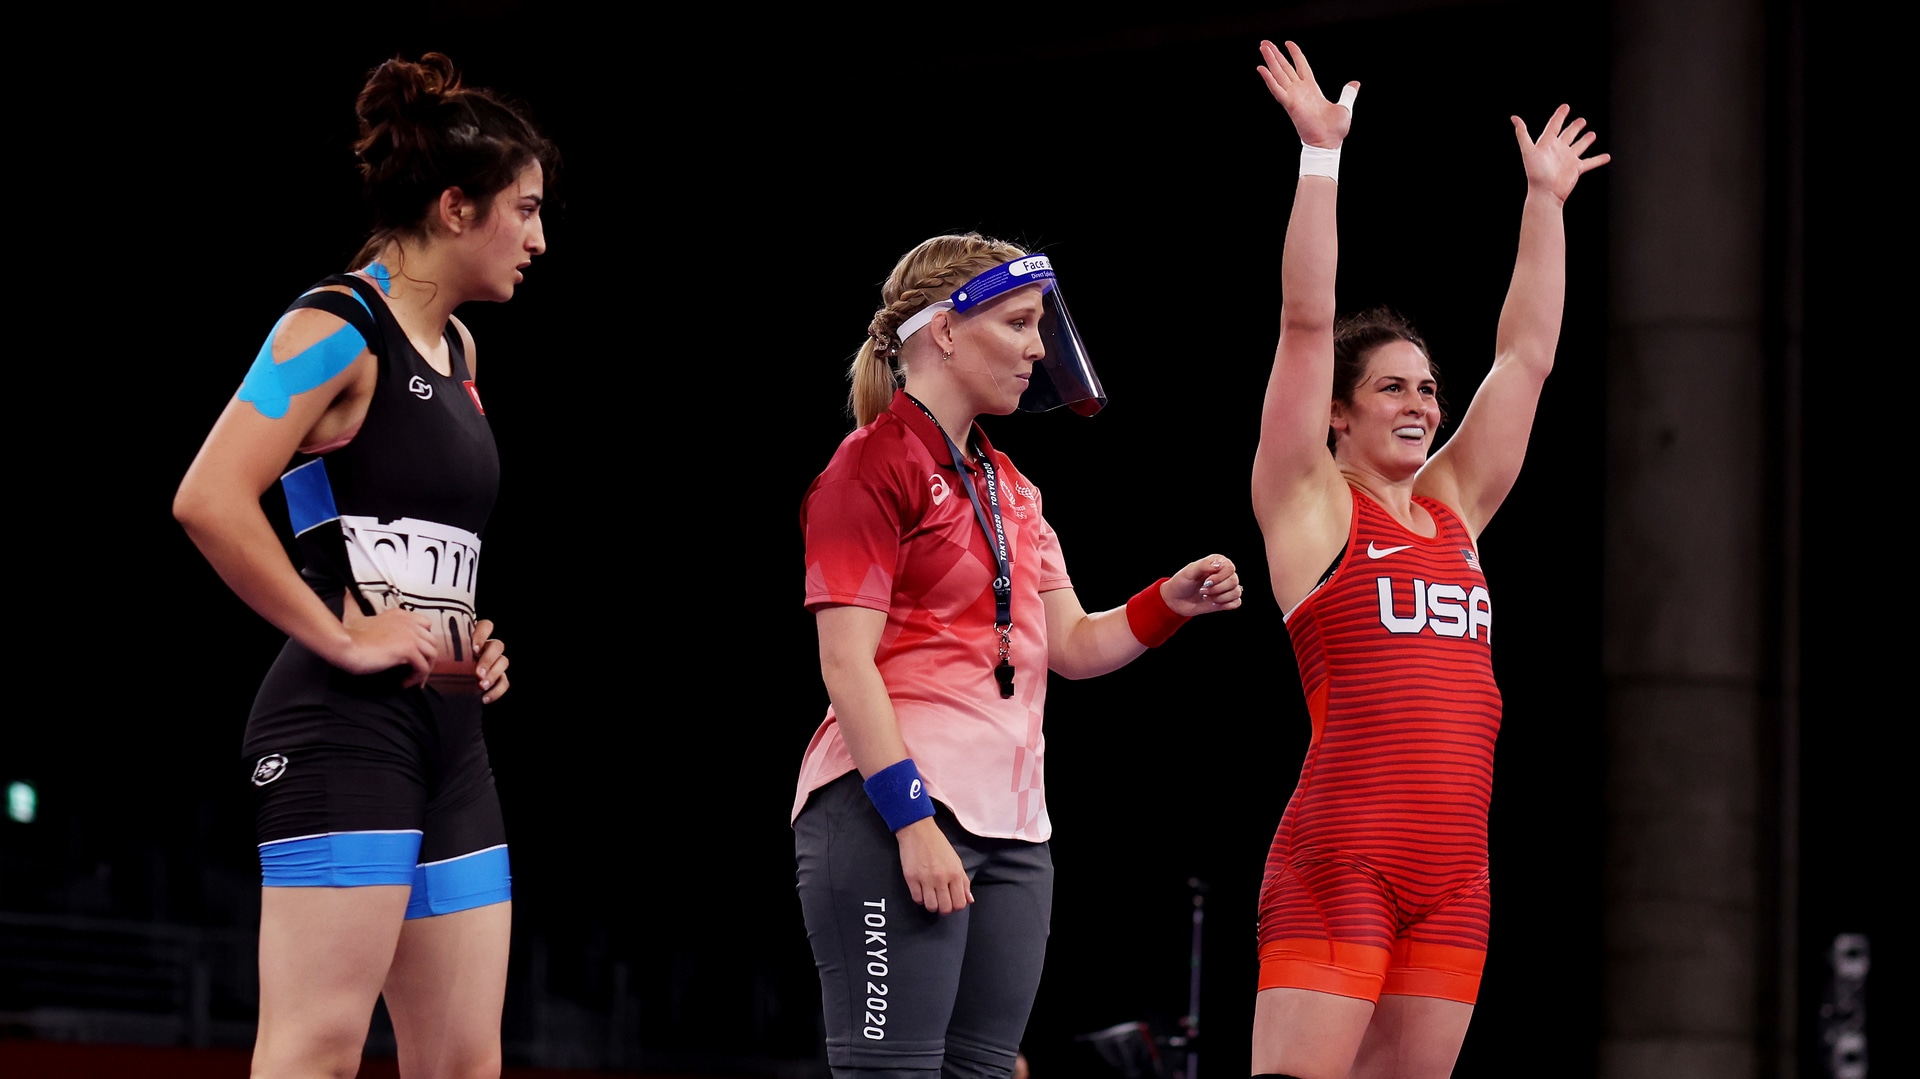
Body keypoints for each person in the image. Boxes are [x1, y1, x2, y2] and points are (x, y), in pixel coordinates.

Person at [172, 52, 553, 1078]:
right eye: (525, 210)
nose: (539, 239)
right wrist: (342, 635)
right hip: (342, 728)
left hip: (453, 734)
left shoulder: (460, 352)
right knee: (316, 1051)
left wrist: (469, 636)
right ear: (456, 206)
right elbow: (208, 496)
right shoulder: (336, 325)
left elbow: (413, 535)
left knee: (463, 1062)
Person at [792, 233, 1245, 1078]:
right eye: (1018, 323)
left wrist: (1168, 602)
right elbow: (845, 663)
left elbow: (1070, 645)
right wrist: (912, 821)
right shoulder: (870, 465)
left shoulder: (1015, 490)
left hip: (1016, 834)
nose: (1040, 348)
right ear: (946, 330)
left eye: (1040, 324)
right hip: (894, 810)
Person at [1244, 40, 1608, 1079]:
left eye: (1428, 388)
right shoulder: (1312, 506)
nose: (1420, 403)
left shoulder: (1454, 509)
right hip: (1340, 861)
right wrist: (1321, 157)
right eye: (1392, 387)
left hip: (1456, 878)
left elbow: (1526, 357)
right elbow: (1306, 321)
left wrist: (1546, 202)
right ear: (1338, 414)